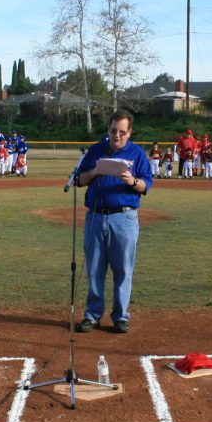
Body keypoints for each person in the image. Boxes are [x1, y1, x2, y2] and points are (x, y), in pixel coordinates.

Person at [75, 110, 153, 334]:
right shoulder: (96, 150)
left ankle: (121, 316)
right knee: (94, 268)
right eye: (112, 131)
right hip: (96, 216)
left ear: (129, 132)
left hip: (124, 218)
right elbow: (79, 179)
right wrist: (96, 171)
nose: (116, 135)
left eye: (121, 132)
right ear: (107, 130)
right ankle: (92, 315)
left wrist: (132, 180)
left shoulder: (137, 153)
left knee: (123, 269)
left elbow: (146, 185)